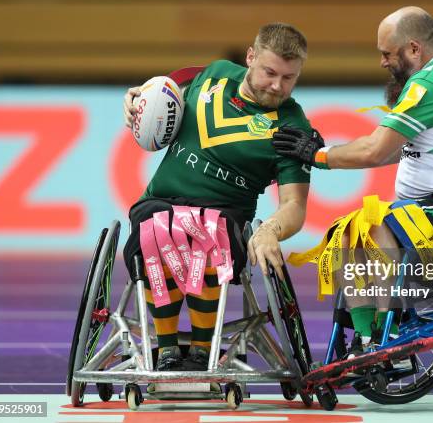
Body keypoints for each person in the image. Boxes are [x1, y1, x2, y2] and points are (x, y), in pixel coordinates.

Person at [272, 6, 433, 353]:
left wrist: (317, 155)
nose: (382, 62)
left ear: (414, 49)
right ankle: (368, 335)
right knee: (346, 233)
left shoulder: (431, 83)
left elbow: (375, 151)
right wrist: (327, 151)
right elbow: (392, 149)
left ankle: (386, 331)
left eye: (386, 53)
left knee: (377, 225)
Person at [122, 22, 315, 374]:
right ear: (250, 57)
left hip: (224, 218)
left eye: (289, 78)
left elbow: (295, 205)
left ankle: (201, 350)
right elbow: (158, 94)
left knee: (205, 236)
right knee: (160, 229)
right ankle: (165, 349)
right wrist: (136, 100)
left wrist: (271, 229)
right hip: (159, 203)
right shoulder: (215, 74)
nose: (277, 86)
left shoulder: (293, 126)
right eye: (270, 72)